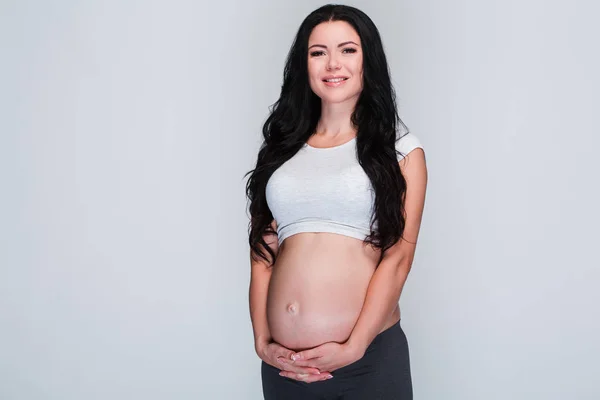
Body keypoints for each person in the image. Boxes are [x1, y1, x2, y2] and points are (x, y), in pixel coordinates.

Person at [245, 4, 427, 399]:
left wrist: (354, 346)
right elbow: (262, 253)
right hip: (285, 369)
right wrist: (262, 341)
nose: (332, 64)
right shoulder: (281, 151)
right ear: (304, 64)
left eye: (347, 50)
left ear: (368, 60)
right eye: (317, 52)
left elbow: (398, 259)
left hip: (367, 362)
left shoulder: (401, 151)